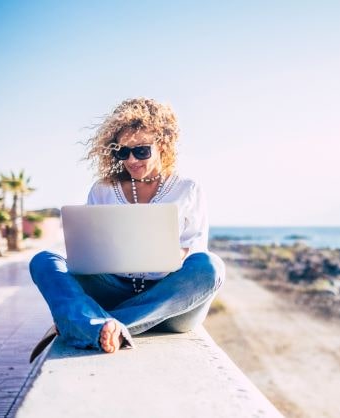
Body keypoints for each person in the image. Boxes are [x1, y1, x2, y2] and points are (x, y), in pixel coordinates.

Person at [29, 98, 225, 362]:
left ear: (163, 145)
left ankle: (89, 325)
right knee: (44, 261)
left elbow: (197, 250)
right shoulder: (102, 190)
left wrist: (173, 253)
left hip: (168, 302)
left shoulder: (187, 189)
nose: (131, 159)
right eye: (123, 152)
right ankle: (104, 327)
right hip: (112, 288)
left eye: (141, 151)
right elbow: (87, 250)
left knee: (211, 266)